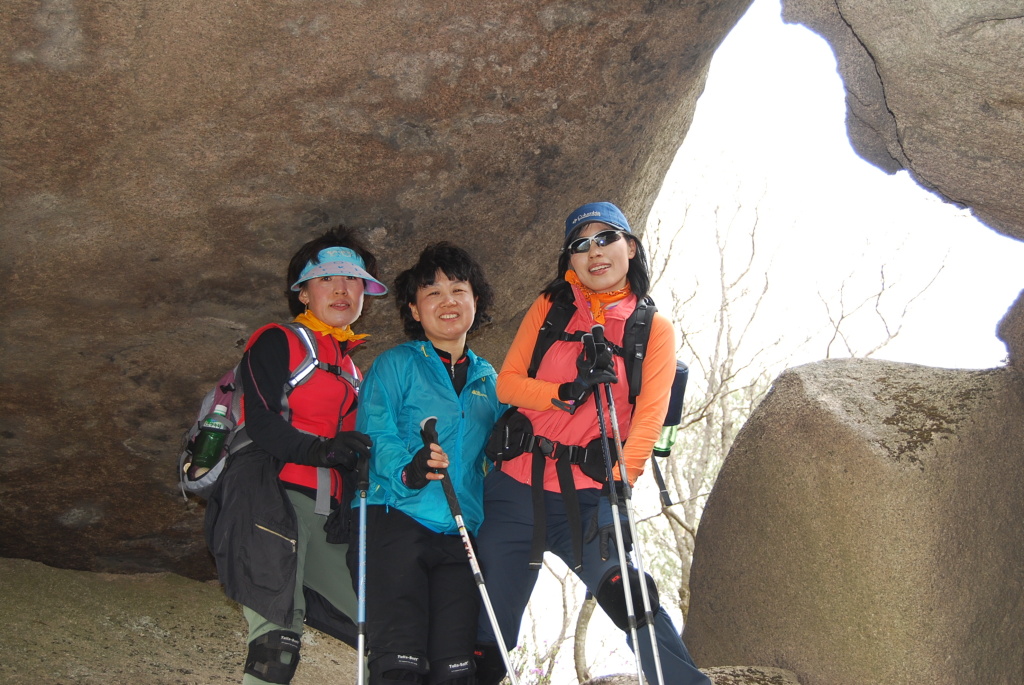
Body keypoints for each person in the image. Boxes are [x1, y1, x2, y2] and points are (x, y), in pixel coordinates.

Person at [473, 202, 711, 685]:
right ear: (570, 260)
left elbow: (648, 420)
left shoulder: (652, 329)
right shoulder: (550, 308)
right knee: (488, 631)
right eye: (580, 245)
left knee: (632, 599)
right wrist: (564, 393)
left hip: (590, 498)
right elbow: (509, 385)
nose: (594, 252)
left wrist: (621, 485)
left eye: (606, 238)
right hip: (515, 490)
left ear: (631, 247)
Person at [204, 225, 387, 685]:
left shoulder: (353, 368)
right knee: (276, 644)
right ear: (302, 293)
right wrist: (324, 450)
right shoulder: (277, 340)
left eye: (354, 280)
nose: (342, 288)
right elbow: (264, 423)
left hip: (326, 516)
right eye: (327, 278)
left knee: (385, 640)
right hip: (267, 497)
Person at [352, 242, 505, 685]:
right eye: (432, 293)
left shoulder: (490, 380)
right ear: (414, 311)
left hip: (461, 534)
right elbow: (374, 433)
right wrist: (410, 469)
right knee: (400, 667)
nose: (448, 301)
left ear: (477, 301)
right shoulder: (395, 364)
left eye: (459, 289)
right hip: (394, 521)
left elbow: (492, 460)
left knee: (456, 672)